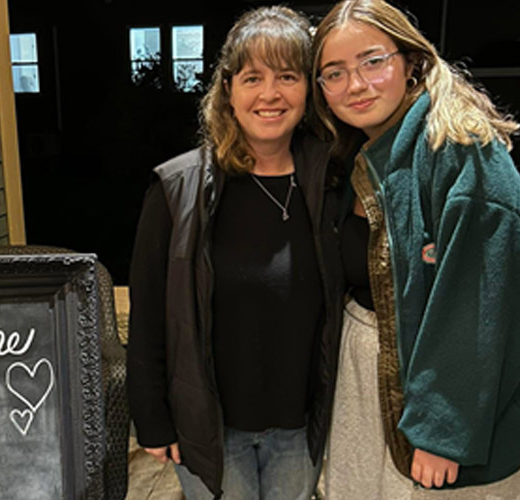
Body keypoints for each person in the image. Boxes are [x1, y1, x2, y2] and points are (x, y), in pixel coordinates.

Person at [126, 6, 344, 500]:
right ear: (228, 89)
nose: (270, 94)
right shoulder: (176, 191)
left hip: (299, 427)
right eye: (252, 78)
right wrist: (152, 420)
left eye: (287, 76)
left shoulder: (330, 184)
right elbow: (150, 317)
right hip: (210, 429)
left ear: (308, 90)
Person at [310, 0, 520, 498]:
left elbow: (478, 304)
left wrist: (442, 430)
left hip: (440, 405)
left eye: (373, 61)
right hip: (367, 382)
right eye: (334, 73)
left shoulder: (461, 149)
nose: (355, 84)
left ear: (411, 62)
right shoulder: (360, 151)